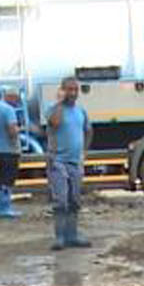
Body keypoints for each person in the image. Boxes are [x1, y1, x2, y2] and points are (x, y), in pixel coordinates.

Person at [44, 77, 93, 250]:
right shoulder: (53, 109)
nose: (72, 93)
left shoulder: (81, 111)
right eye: (69, 90)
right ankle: (60, 237)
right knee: (61, 200)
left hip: (75, 162)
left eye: (75, 90)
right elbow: (55, 123)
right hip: (57, 161)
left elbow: (88, 131)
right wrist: (58, 102)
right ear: (62, 90)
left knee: (74, 199)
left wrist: (83, 153)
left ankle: (72, 235)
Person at [0, 88, 25, 219]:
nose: (17, 104)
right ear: (11, 97)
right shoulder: (8, 110)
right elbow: (12, 130)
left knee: (1, 177)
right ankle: (5, 208)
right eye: (16, 100)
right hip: (10, 149)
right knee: (8, 179)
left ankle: (0, 207)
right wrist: (20, 130)